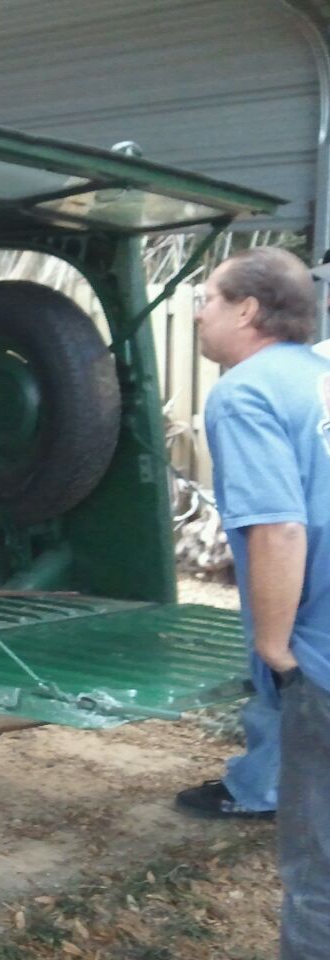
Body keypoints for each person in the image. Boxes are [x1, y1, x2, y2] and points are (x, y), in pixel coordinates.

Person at [187, 246, 330, 959]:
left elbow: (278, 528)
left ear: (247, 310)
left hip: (325, 656)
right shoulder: (324, 381)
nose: (198, 316)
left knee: (318, 872)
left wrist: (275, 650)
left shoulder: (245, 392)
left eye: (206, 301)